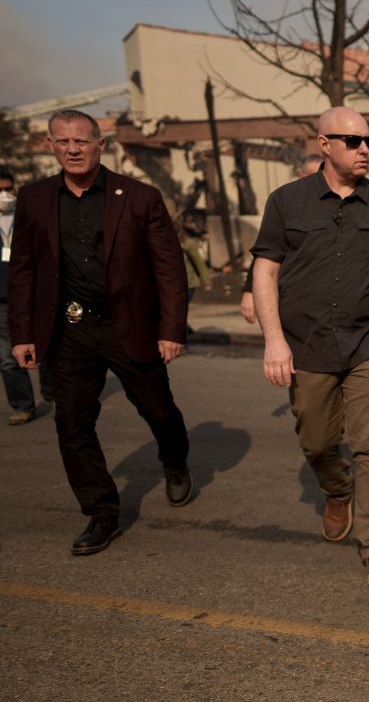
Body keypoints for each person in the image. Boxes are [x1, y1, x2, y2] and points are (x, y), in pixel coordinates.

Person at [8, 110, 194, 555]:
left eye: (82, 142)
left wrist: (171, 328)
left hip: (127, 325)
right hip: (67, 330)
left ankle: (174, 460)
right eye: (63, 142)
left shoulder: (140, 197)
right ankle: (102, 513)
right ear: (51, 146)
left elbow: (169, 269)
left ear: (100, 144)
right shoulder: (33, 199)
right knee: (72, 426)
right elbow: (24, 270)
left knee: (158, 409)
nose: (73, 149)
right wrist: (23, 333)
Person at [250, 108, 369, 588]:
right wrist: (274, 340)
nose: (365, 150)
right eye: (352, 141)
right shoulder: (286, 202)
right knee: (318, 441)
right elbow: (266, 271)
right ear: (323, 143)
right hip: (306, 344)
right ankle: (335, 490)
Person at [240, 154, 323, 325]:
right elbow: (266, 251)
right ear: (302, 177)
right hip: (290, 299)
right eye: (316, 175)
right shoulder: (286, 205)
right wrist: (249, 291)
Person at [2, 167, 52, 424]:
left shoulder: (29, 214)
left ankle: (52, 390)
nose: (4, 195)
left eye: (8, 189)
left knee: (48, 348)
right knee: (8, 359)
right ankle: (23, 405)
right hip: (2, 299)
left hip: (36, 294)